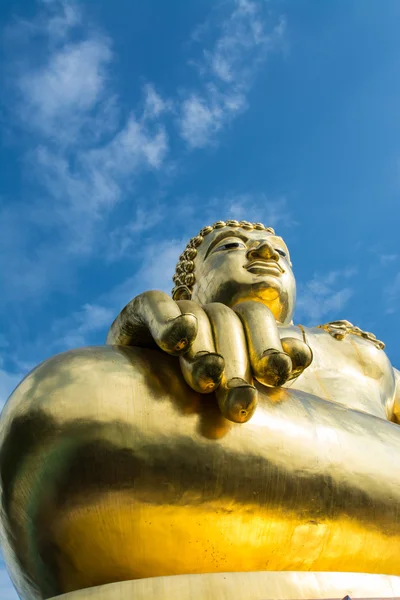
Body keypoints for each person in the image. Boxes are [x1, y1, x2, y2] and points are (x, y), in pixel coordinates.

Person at [107, 219, 400, 423]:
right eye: (230, 245)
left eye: (281, 252)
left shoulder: (353, 345)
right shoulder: (187, 346)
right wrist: (126, 364)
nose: (266, 252)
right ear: (187, 292)